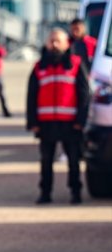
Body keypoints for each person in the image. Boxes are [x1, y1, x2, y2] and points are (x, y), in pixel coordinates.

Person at [26, 28, 90, 205]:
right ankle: (45, 192)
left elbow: (85, 94)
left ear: (66, 43)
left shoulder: (76, 64)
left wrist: (81, 121)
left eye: (58, 41)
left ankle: (75, 192)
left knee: (74, 161)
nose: (54, 44)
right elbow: (31, 95)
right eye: (51, 41)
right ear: (47, 44)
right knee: (46, 161)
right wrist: (33, 122)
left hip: (70, 123)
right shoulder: (39, 66)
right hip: (46, 123)